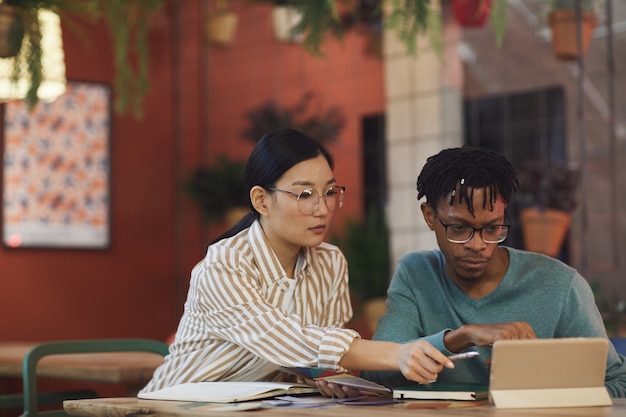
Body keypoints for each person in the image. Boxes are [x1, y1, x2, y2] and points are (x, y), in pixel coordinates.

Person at [141, 128, 454, 398]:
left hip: (261, 405)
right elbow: (286, 338)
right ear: (261, 200)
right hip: (176, 404)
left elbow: (319, 357)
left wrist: (327, 376)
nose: (322, 209)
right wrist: (397, 354)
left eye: (329, 192)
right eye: (305, 194)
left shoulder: (330, 262)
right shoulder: (222, 267)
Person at [362, 146, 626, 397]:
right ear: (429, 216)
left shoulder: (560, 284)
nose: (477, 246)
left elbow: (619, 382)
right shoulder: (416, 273)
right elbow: (376, 373)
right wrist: (460, 337)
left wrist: (547, 389)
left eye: (492, 229)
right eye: (458, 229)